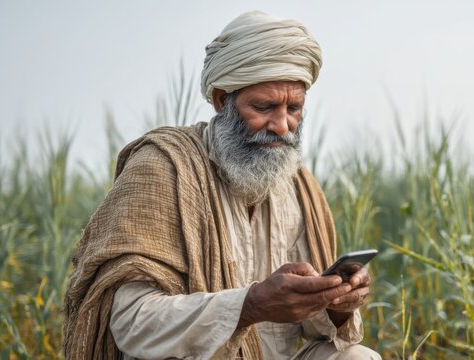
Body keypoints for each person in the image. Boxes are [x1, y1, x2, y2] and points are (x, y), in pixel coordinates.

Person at [63, 10, 382, 360]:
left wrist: (335, 302)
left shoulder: (299, 186)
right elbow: (131, 322)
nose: (282, 125)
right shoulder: (162, 168)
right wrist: (250, 305)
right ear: (220, 100)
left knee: (357, 357)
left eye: (294, 108)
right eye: (264, 106)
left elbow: (314, 329)